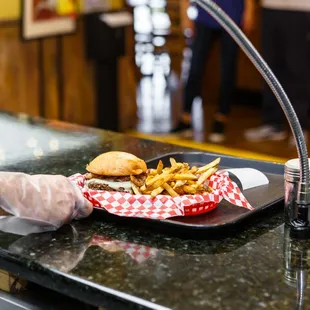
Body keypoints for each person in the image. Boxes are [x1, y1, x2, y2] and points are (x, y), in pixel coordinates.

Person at [173, 0, 255, 143]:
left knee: (227, 70)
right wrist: (185, 15)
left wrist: (249, 12)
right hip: (205, 16)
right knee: (195, 67)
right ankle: (185, 117)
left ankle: (221, 118)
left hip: (232, 18)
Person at [245, 0, 310, 145]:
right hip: (270, 7)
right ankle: (273, 124)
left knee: (297, 68)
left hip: (300, 9)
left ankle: (300, 129)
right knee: (269, 68)